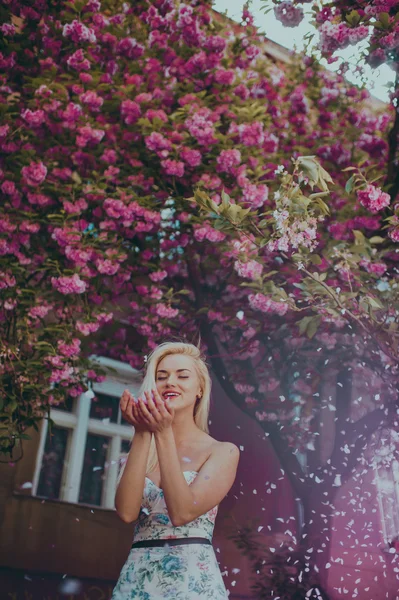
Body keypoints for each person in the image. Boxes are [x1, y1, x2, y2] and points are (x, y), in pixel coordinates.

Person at [111, 341, 240, 600]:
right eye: (161, 377)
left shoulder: (223, 452)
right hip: (137, 579)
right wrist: (141, 432)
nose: (171, 382)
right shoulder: (141, 448)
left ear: (200, 389)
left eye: (182, 376)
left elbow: (182, 512)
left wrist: (162, 433)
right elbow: (126, 512)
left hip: (191, 583)